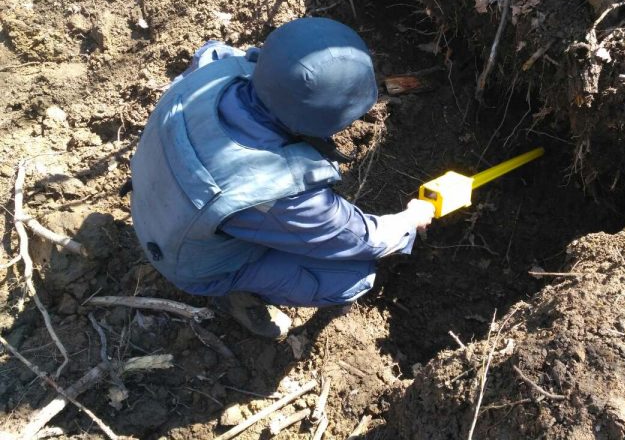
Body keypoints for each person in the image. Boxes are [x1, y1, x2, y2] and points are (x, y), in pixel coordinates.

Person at [129, 18, 435, 339]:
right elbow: (358, 239)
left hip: (150, 201)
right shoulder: (274, 190)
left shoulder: (215, 68)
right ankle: (232, 292)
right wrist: (409, 220)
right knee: (353, 275)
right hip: (184, 262)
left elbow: (219, 53)